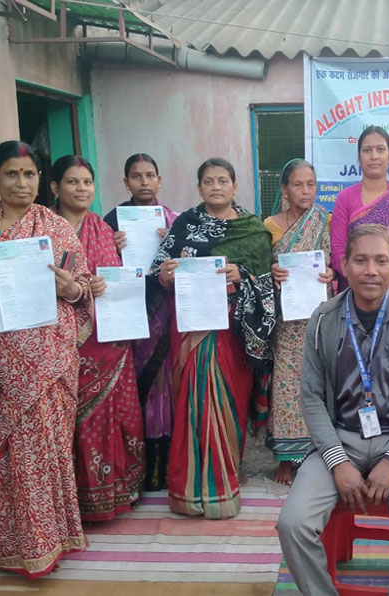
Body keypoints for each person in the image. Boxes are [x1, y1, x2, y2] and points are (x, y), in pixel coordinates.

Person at [277, 224, 389, 596]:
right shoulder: (324, 319)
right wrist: (337, 461)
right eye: (361, 260)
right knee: (292, 524)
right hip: (339, 440)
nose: (371, 270)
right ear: (344, 264)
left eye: (381, 261)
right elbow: (311, 397)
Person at [0, 141, 91, 576]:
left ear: (39, 179)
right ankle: (21, 549)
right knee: (15, 460)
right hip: (2, 366)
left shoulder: (54, 226)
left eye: (29, 174)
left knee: (52, 455)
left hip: (55, 363)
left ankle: (55, 541)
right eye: (11, 174)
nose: (21, 183)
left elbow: (83, 289)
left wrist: (71, 288)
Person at [150, 157, 275, 519]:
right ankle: (188, 491)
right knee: (194, 402)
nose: (216, 187)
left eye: (223, 180)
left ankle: (224, 482)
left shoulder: (253, 229)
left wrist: (242, 275)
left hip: (232, 329)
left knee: (229, 400)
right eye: (208, 181)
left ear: (235, 186)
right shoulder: (185, 225)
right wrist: (166, 275)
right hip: (192, 327)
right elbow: (159, 271)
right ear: (199, 187)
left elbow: (267, 281)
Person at [51, 155, 145, 521]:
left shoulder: (104, 229)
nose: (81, 188)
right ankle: (75, 501)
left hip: (109, 342)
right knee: (70, 420)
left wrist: (105, 283)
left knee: (113, 414)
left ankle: (117, 492)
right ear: (55, 187)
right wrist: (76, 290)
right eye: (72, 181)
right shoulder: (44, 231)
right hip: (63, 343)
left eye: (87, 182)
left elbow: (120, 279)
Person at [104, 153, 178, 491]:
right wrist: (112, 248)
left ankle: (167, 465)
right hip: (130, 316)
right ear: (126, 182)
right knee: (136, 388)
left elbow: (190, 263)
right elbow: (99, 268)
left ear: (159, 180)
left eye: (150, 175)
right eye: (136, 176)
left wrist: (173, 242)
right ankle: (138, 467)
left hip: (165, 315)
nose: (144, 182)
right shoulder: (110, 222)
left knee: (165, 389)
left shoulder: (175, 220)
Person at [264, 159, 334, 485]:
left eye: (311, 184)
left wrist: (331, 273)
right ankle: (285, 458)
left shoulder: (324, 220)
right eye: (298, 185)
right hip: (286, 320)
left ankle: (319, 452)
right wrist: (272, 271)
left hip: (318, 318)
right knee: (286, 384)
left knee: (319, 382)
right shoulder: (270, 226)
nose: (306, 191)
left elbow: (336, 261)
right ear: (285, 189)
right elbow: (259, 269)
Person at [330, 125, 389, 292]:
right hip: (354, 288)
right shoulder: (345, 198)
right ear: (359, 157)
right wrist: (360, 280)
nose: (374, 156)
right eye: (367, 150)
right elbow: (338, 250)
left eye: (380, 149)